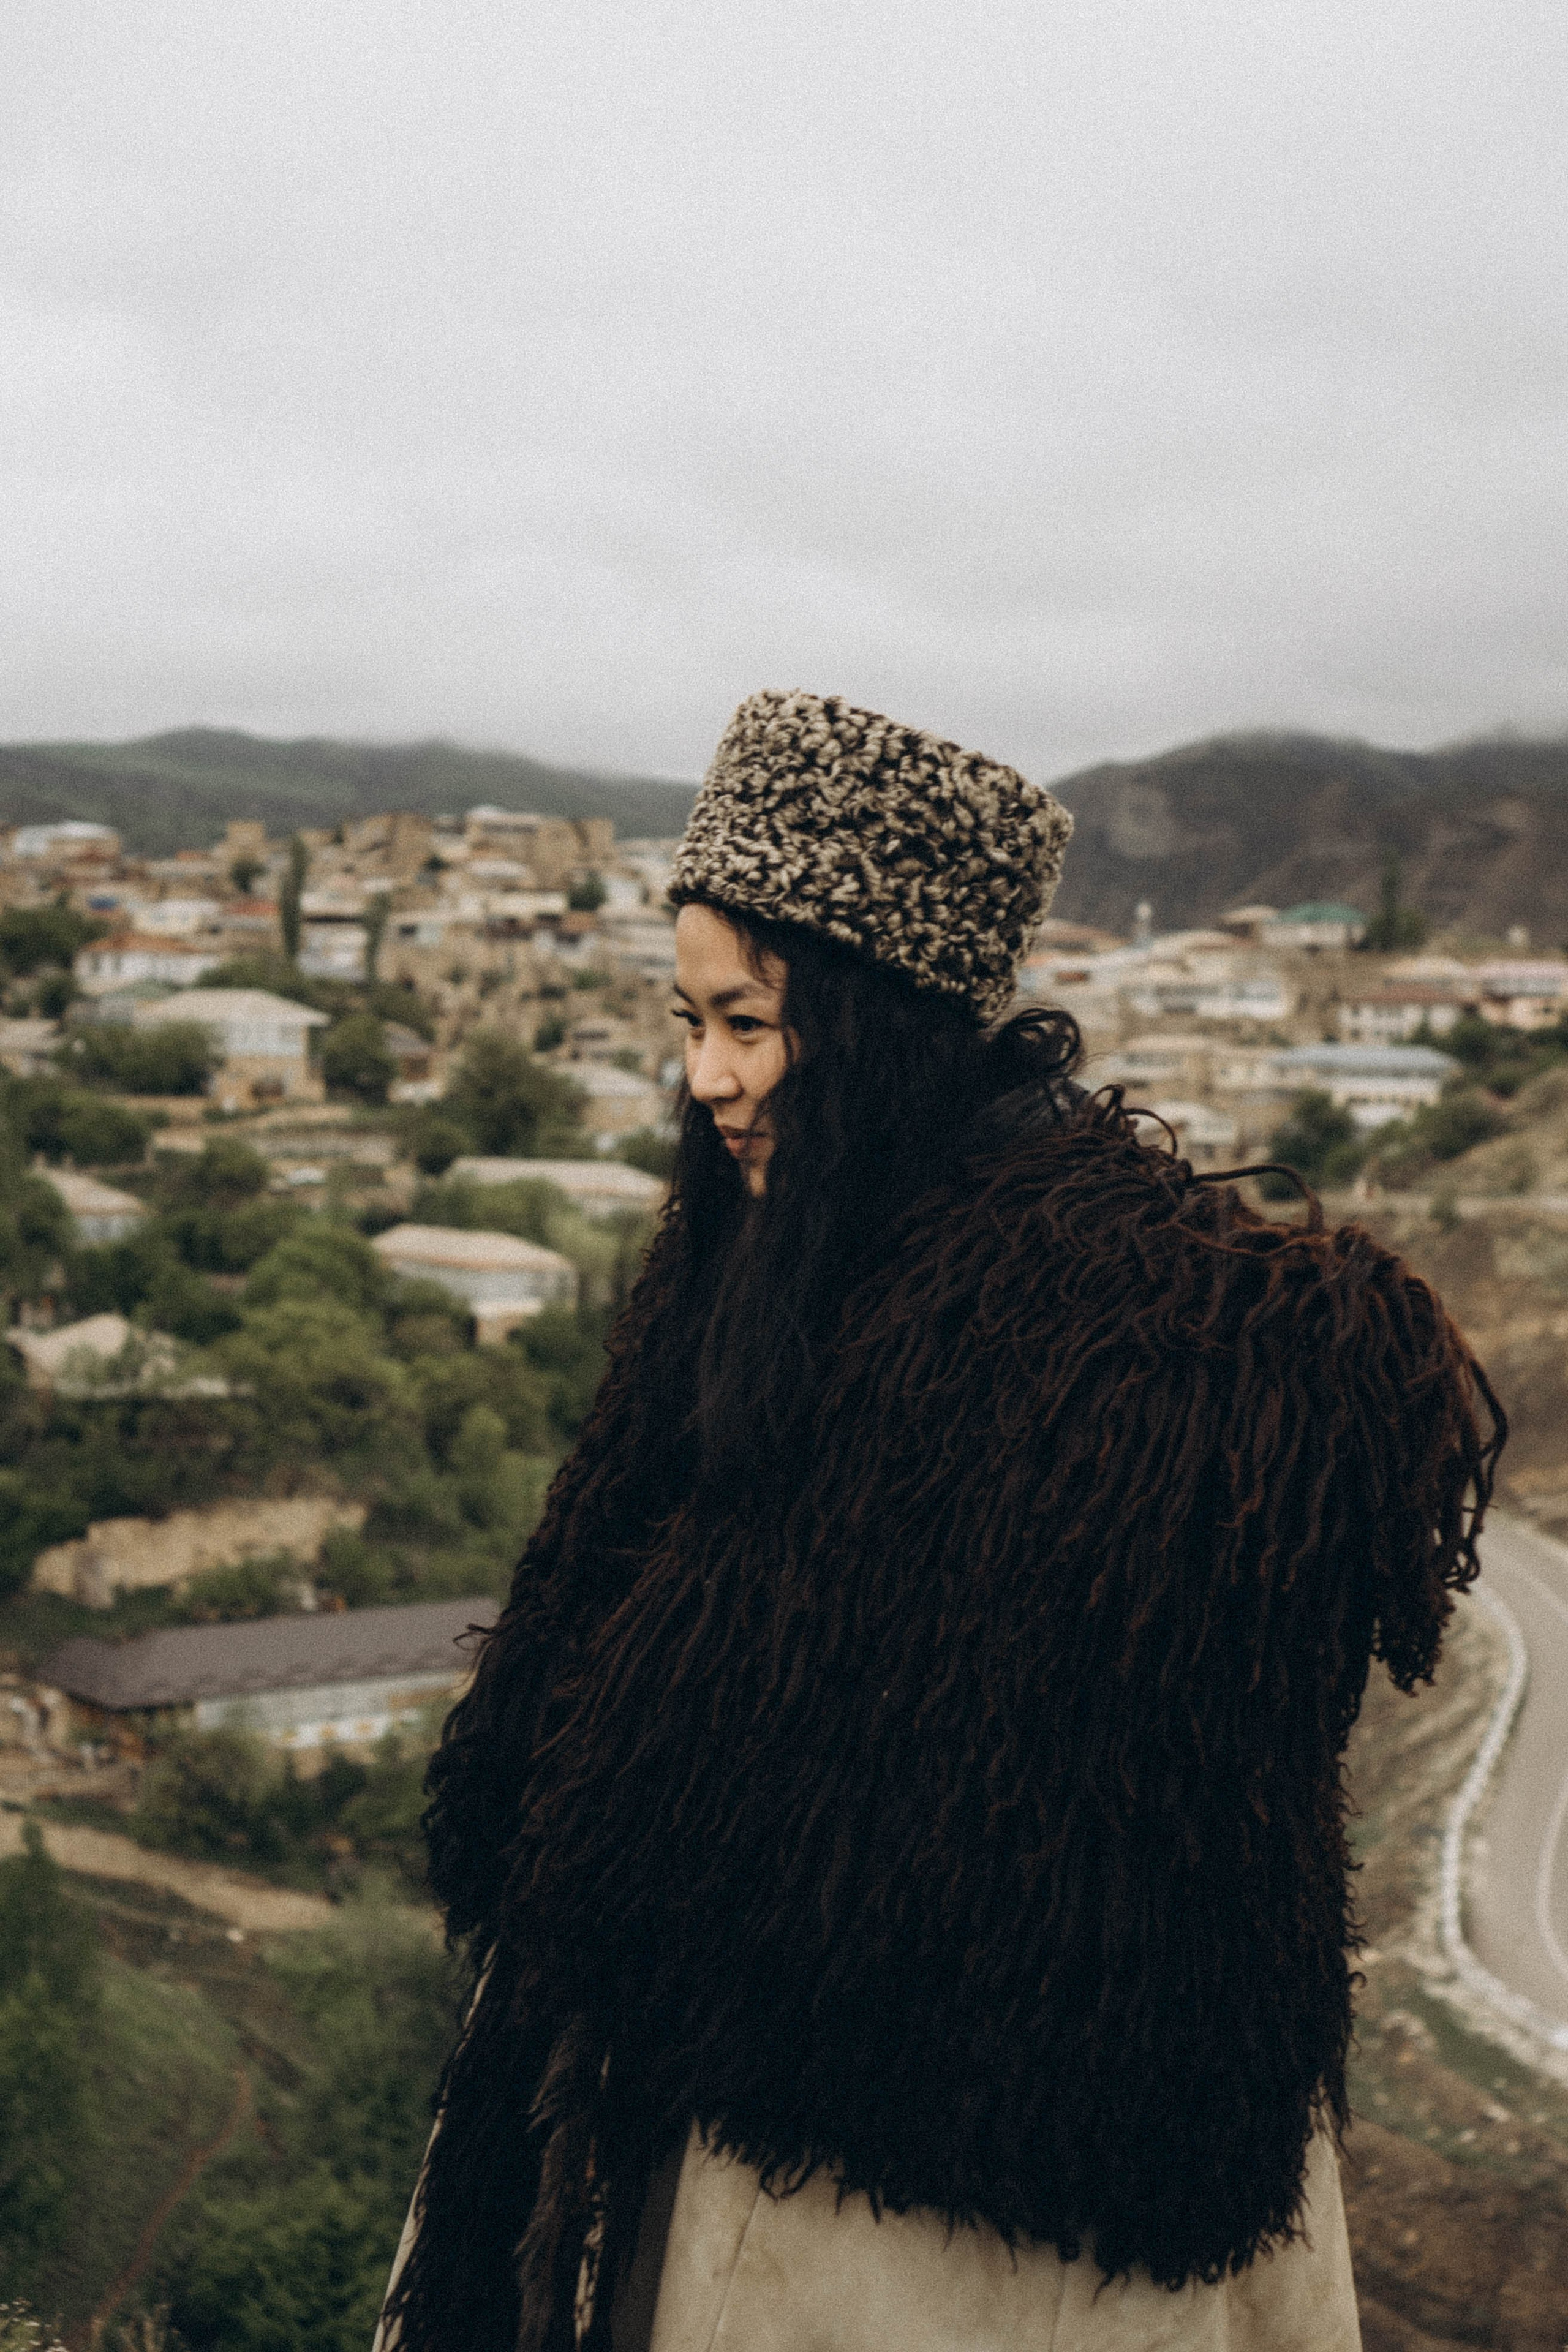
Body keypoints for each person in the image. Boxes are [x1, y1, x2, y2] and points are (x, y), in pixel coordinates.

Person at [378, 690, 1501, 2352]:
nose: (710, 1082)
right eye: (687, 1025)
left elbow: (1121, 1842)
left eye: (749, 1024)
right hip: (705, 2165)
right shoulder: (773, 1271)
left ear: (878, 1015)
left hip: (960, 2259)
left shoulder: (1155, 1366)